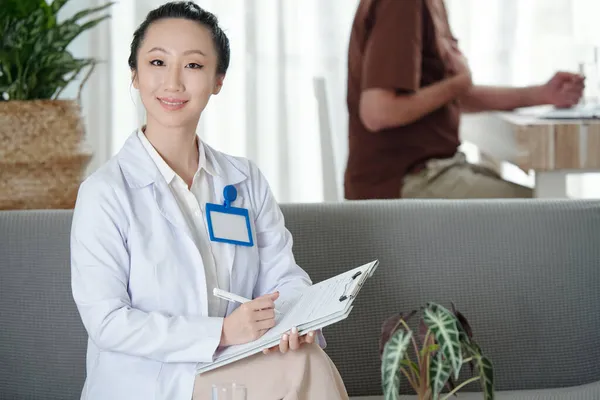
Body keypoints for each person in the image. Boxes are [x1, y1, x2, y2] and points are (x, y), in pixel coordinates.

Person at [70, 2, 348, 399]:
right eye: (157, 62)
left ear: (218, 80)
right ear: (134, 74)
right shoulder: (105, 193)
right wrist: (220, 332)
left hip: (236, 362)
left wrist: (292, 321)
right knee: (305, 367)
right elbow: (108, 321)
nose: (173, 83)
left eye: (194, 66)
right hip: (148, 382)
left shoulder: (244, 179)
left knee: (304, 357)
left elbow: (283, 277)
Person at [344, 0, 586, 200]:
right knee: (571, 221)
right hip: (404, 183)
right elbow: (379, 112)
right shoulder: (404, 5)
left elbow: (447, 95)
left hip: (428, 173)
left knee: (562, 209)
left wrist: (540, 94)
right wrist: (457, 83)